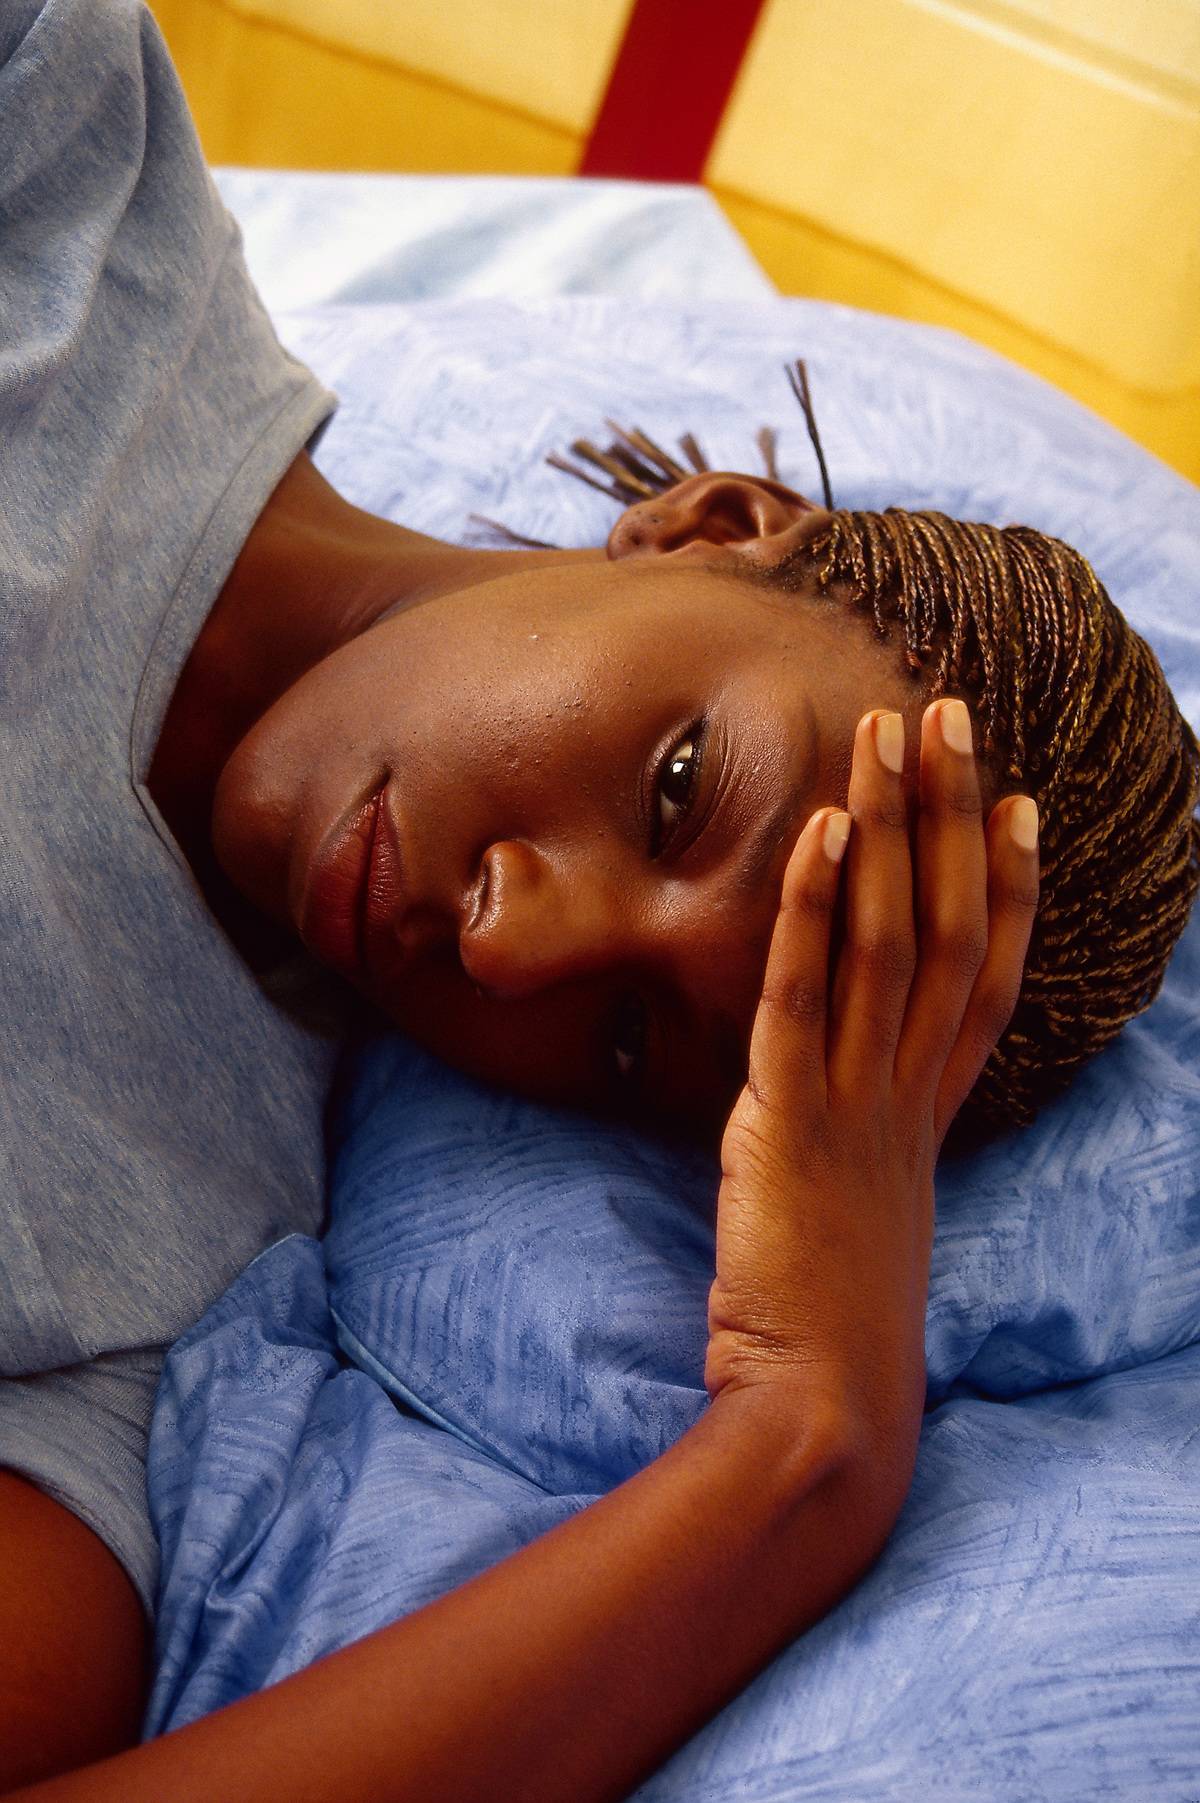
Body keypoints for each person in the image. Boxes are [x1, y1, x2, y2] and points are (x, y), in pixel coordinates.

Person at [1, 3, 1195, 1799]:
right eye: (678, 790)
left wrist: (806, 1448)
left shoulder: (148, 1282)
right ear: (710, 525)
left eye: (635, 1044)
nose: (507, 941)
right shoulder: (60, 150)